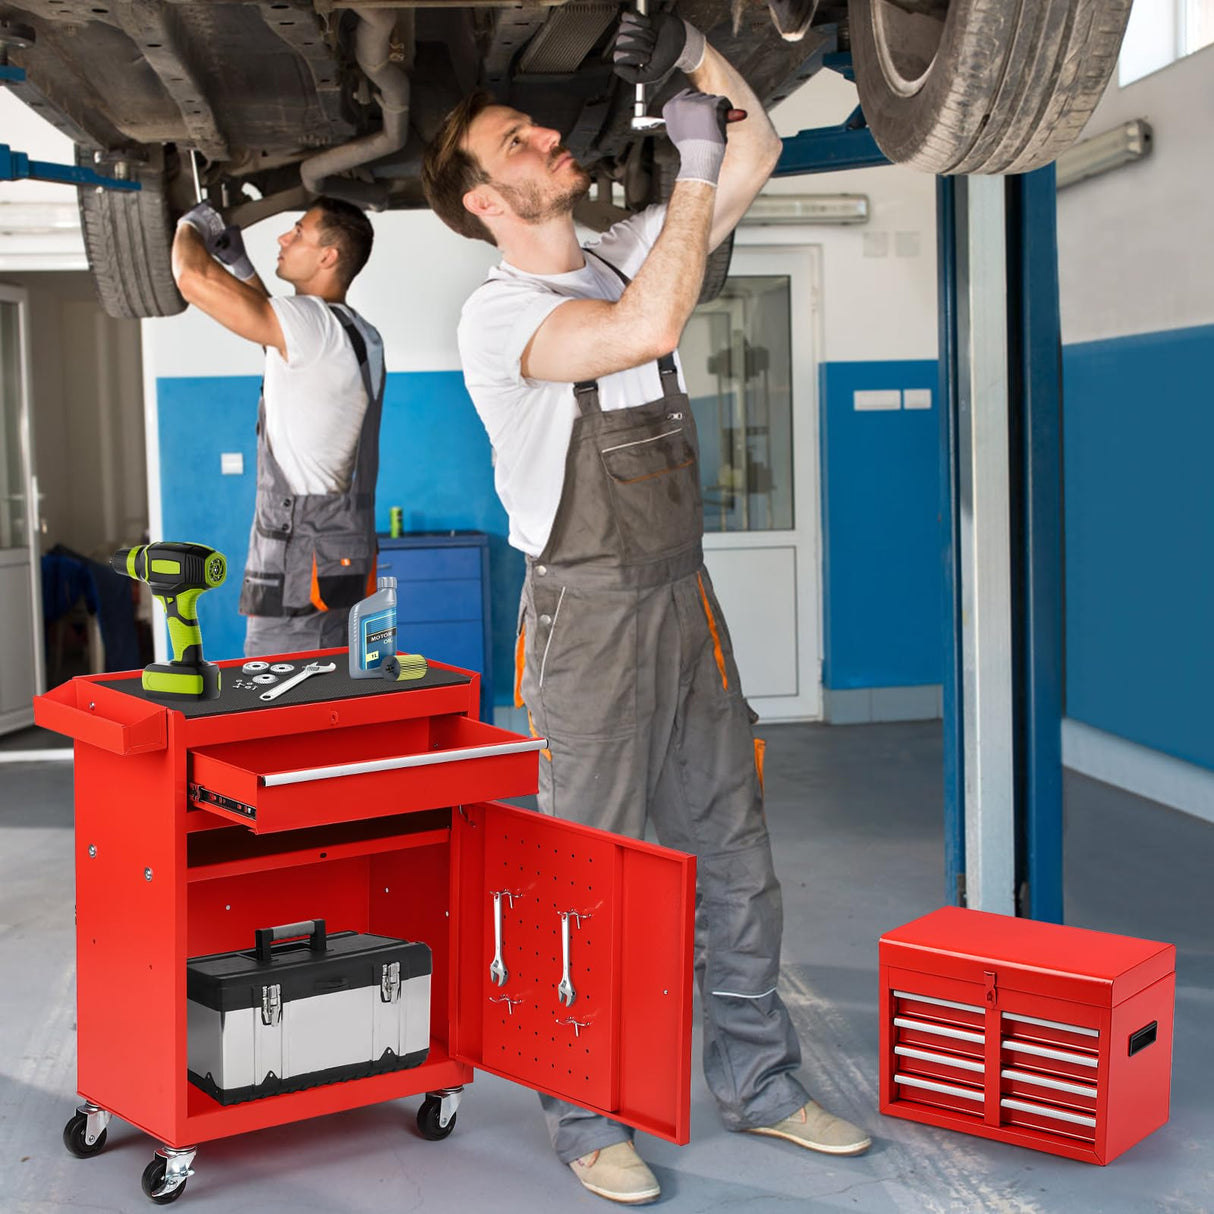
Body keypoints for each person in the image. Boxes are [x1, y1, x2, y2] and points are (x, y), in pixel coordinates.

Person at [422, 9, 870, 1206]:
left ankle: (760, 1084)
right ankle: (582, 1113)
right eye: (514, 141)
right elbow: (645, 329)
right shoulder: (498, 316)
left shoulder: (626, 245)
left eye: (535, 126)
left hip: (684, 599)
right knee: (593, 867)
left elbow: (760, 144)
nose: (543, 139)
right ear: (483, 199)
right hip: (587, 617)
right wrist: (696, 168)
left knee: (734, 852)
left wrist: (687, 57)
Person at [170, 196, 385, 658]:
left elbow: (191, 279)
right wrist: (240, 263)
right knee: (334, 694)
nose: (284, 238)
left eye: (299, 232)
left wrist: (191, 226)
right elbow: (274, 329)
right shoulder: (356, 331)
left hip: (299, 568)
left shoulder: (311, 325)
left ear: (328, 257)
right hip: (339, 555)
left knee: (277, 704)